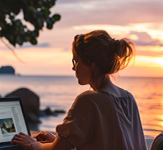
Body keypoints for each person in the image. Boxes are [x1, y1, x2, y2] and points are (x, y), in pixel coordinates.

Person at [11, 30, 147, 150]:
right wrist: (60, 141)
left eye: (76, 61)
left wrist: (32, 145)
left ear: (91, 64)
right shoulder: (128, 98)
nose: (73, 68)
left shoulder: (88, 101)